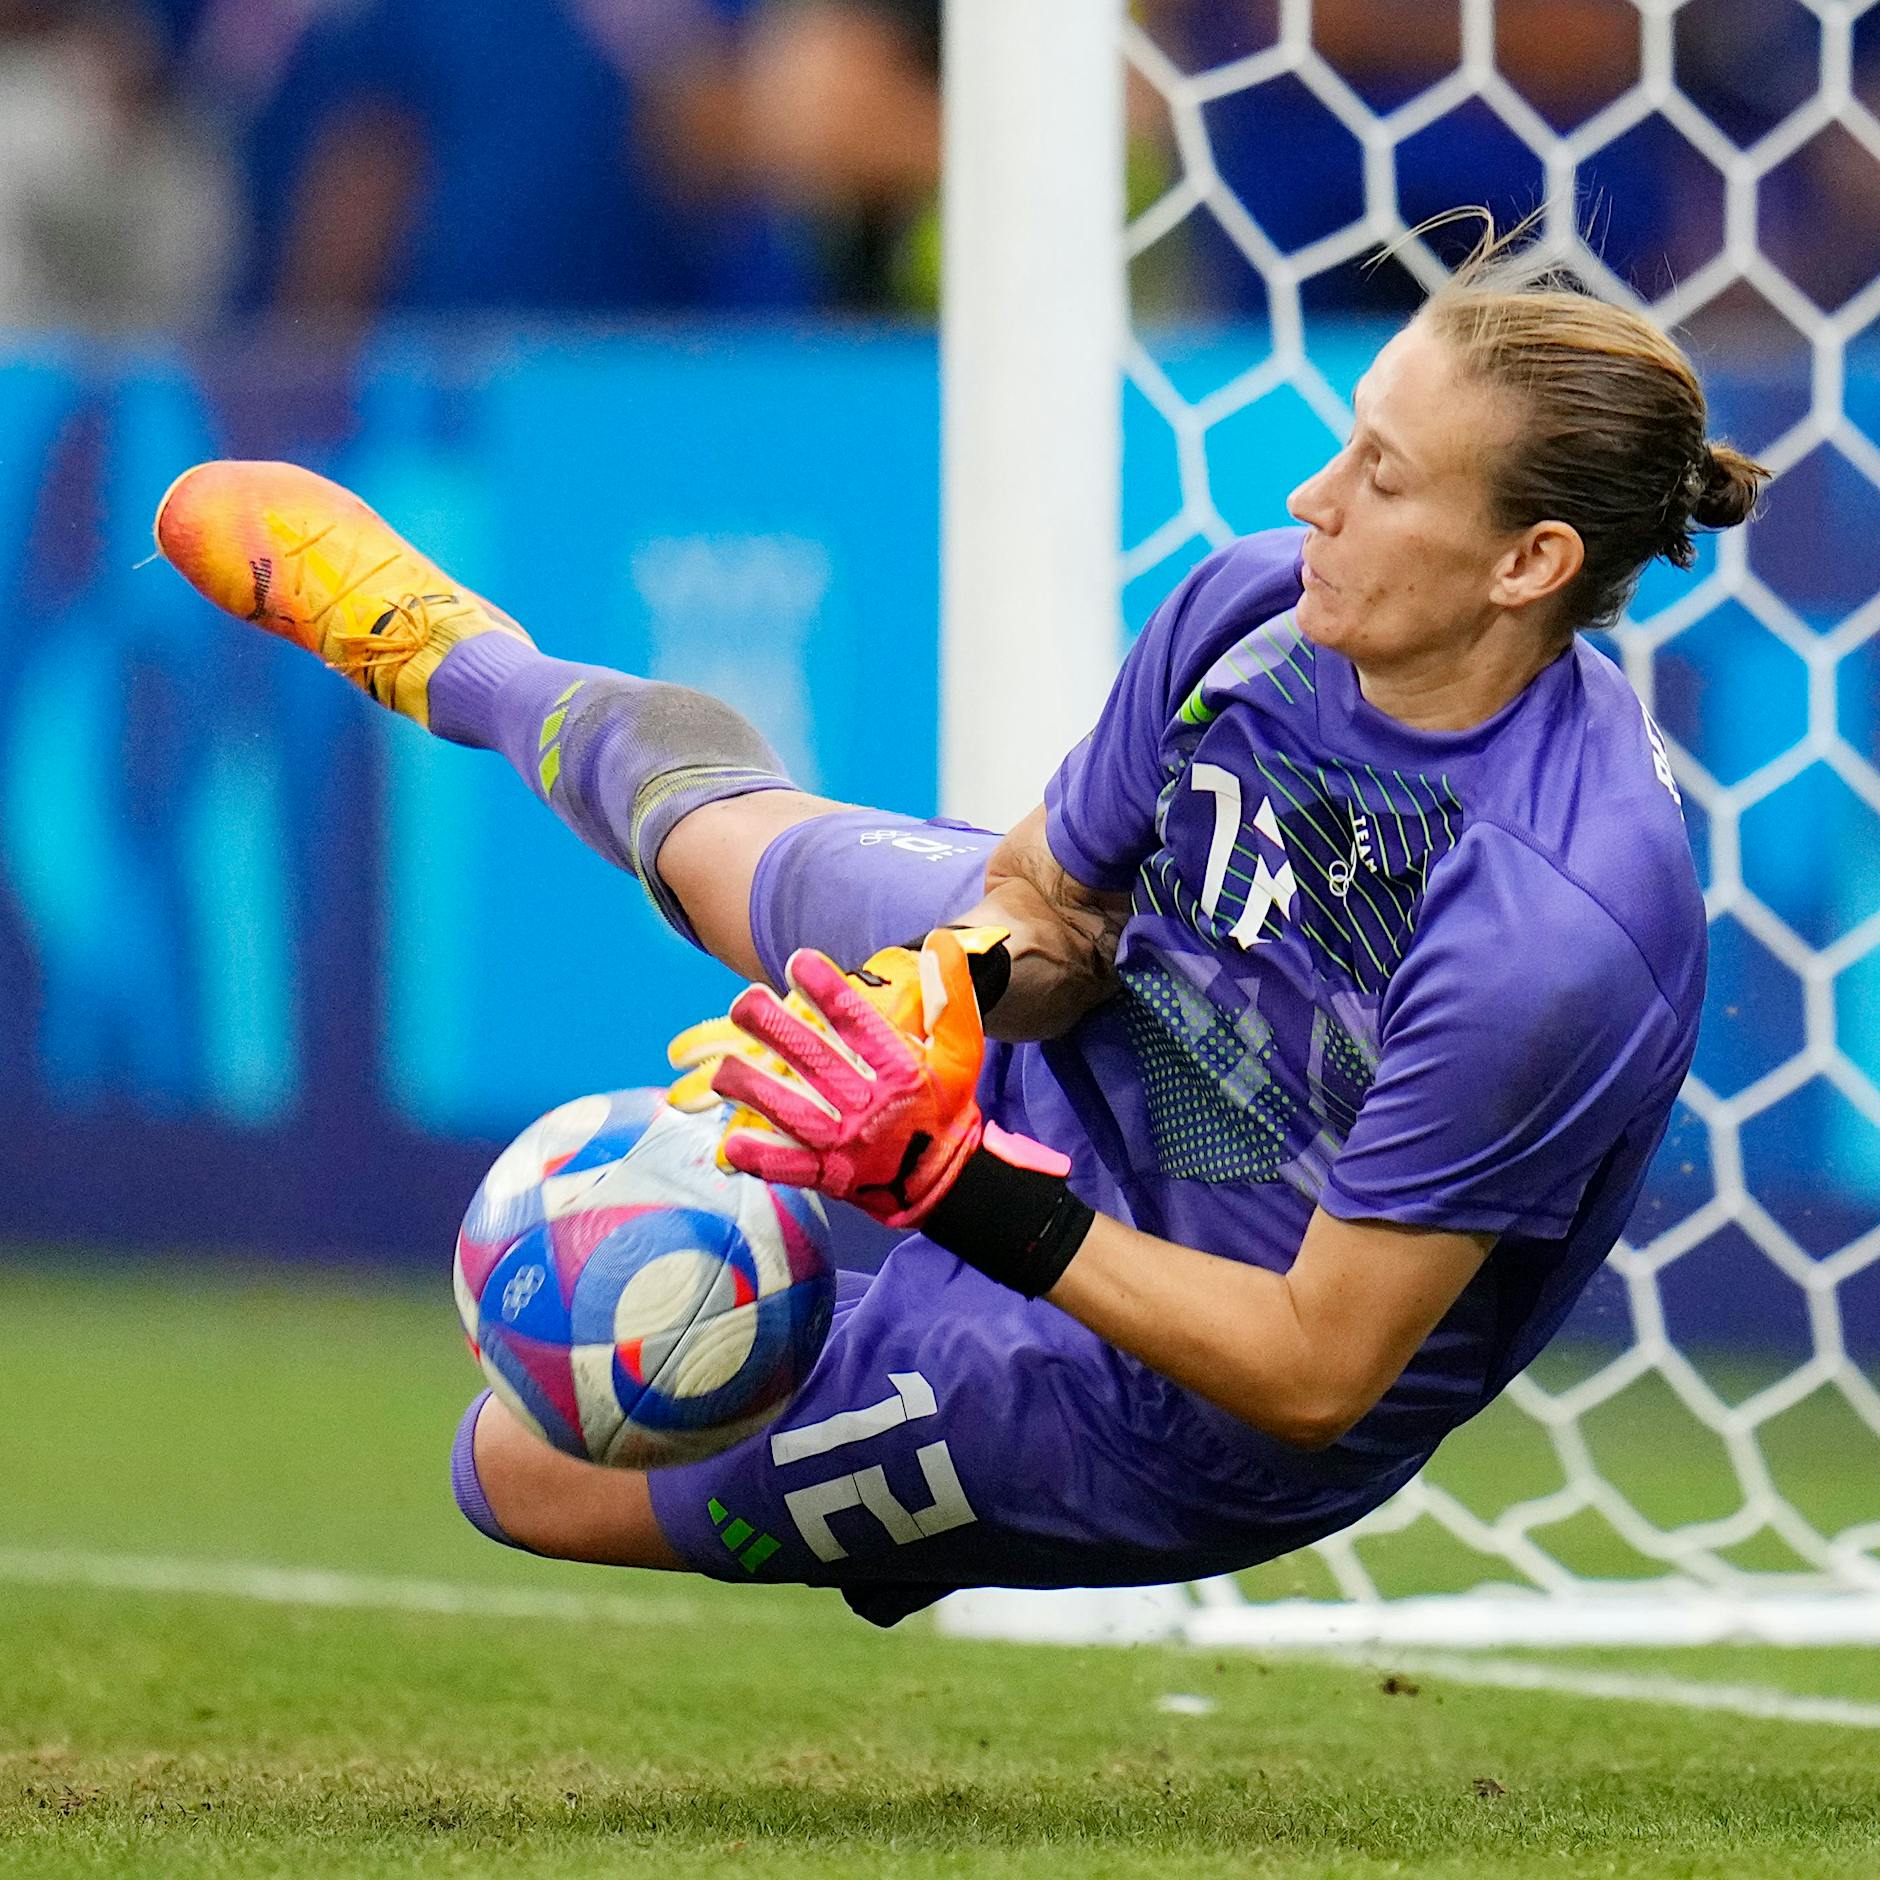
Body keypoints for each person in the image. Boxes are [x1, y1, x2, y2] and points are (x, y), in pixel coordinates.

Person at [153, 223, 1765, 1625]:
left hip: (1172, 1400)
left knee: (510, 1469)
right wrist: (944, 1002)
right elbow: (1053, 904)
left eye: (1381, 478)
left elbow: (1312, 1372)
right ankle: (467, 667)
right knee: (735, 862)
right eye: (1350, 441)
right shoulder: (1259, 610)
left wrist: (945, 1182)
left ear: (1530, 560)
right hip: (1113, 1026)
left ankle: (837, 1326)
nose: (1311, 495)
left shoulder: (1548, 925)